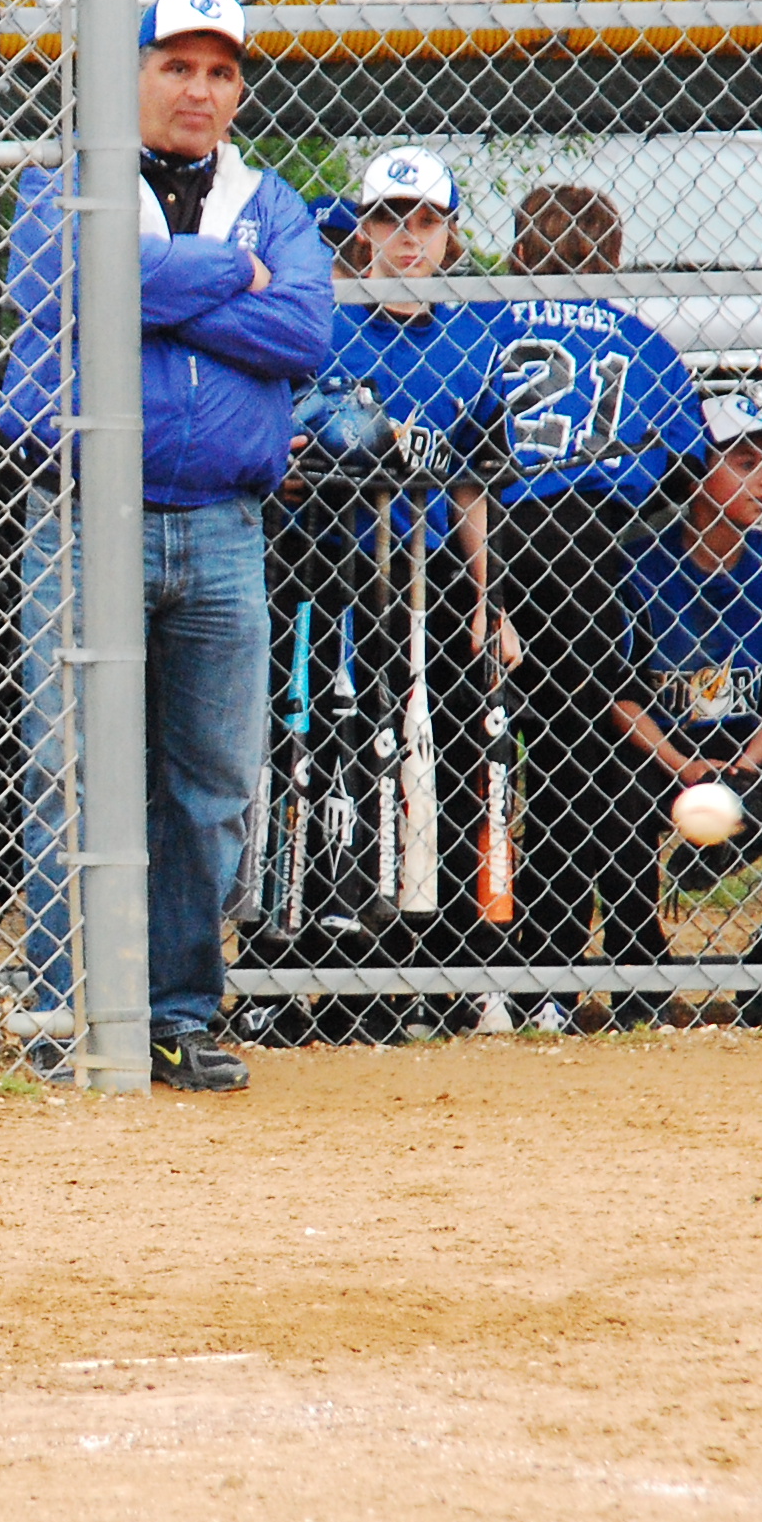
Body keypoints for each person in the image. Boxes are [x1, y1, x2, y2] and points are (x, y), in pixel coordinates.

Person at [0, 0, 332, 1090]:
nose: (199, 89)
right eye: (175, 66)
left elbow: (305, 329)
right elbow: (61, 285)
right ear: (129, 75)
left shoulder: (267, 197)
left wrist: (144, 288)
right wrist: (229, 276)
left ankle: (177, 1014)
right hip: (84, 519)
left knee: (208, 788)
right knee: (72, 775)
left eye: (219, 72)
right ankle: (69, 1013)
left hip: (226, 525)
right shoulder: (66, 179)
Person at [296, 149, 511, 1032]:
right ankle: (319, 966)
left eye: (426, 221)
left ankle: (436, 967)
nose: (407, 238)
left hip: (431, 584)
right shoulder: (327, 325)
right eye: (388, 219)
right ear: (362, 231)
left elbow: (474, 487)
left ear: (452, 236)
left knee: (440, 763)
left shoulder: (472, 339)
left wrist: (489, 601)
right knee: (333, 762)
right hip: (332, 577)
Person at [491, 186, 710, 1024]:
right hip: (594, 551)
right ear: (615, 262)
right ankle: (599, 967)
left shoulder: (483, 322)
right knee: (585, 762)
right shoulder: (642, 342)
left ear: (518, 255)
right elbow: (687, 466)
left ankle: (513, 971)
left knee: (498, 761)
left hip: (492, 544)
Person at [604, 397, 762, 1027]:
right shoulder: (637, 569)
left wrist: (747, 763)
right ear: (694, 476)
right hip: (659, 756)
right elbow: (620, 697)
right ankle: (640, 976)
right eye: (745, 463)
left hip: (749, 754)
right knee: (611, 802)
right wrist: (682, 764)